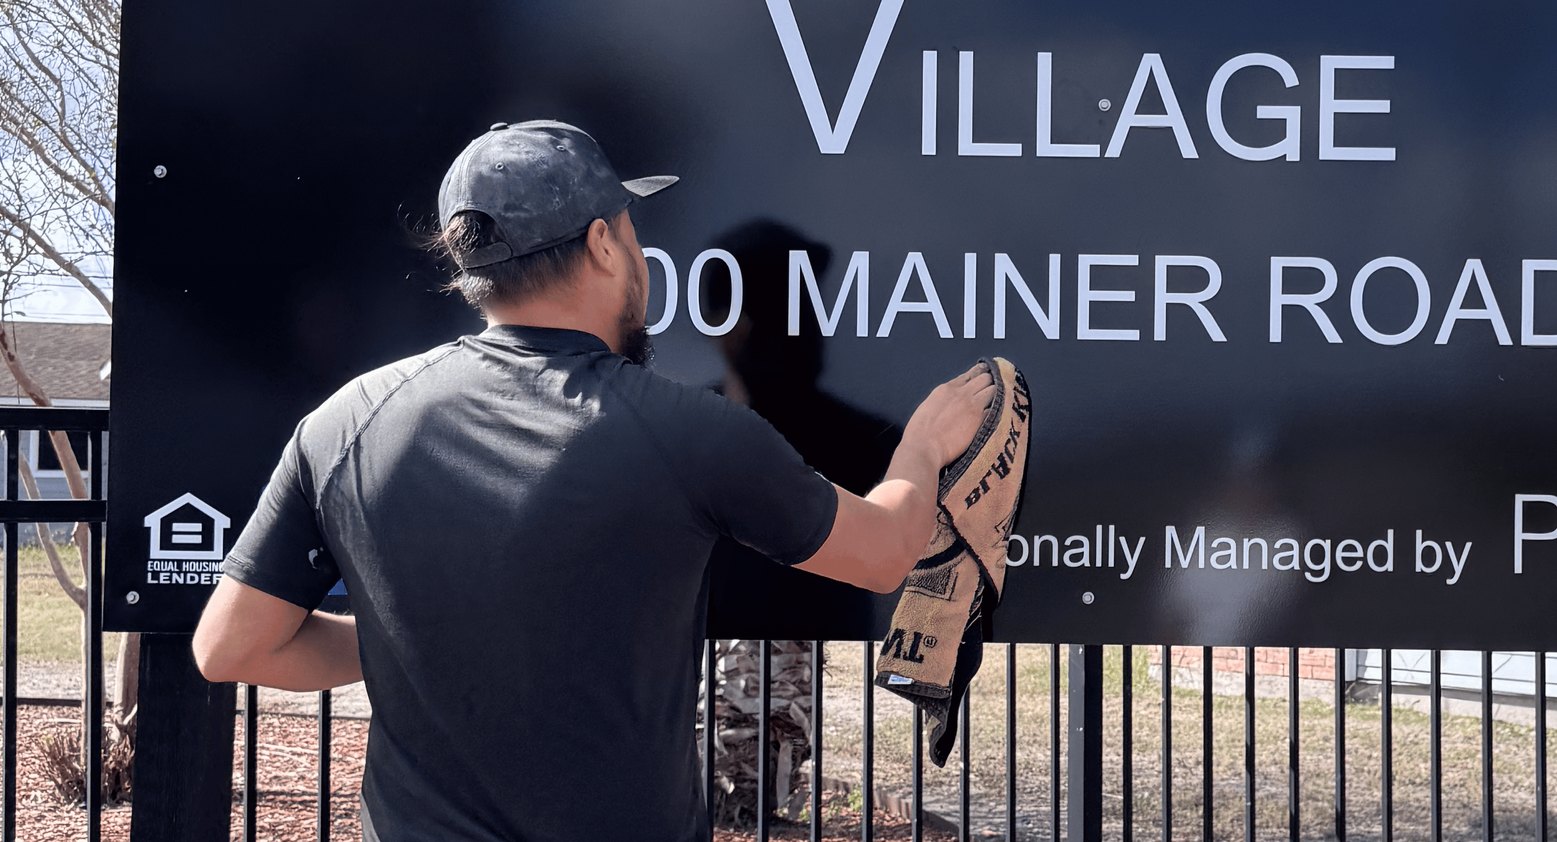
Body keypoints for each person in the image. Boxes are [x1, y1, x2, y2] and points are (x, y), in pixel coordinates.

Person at [193, 120, 990, 842]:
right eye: (633, 228)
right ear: (605, 244)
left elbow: (229, 647)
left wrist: (407, 638)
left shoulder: (348, 422)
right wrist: (922, 444)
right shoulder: (690, 431)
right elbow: (883, 554)